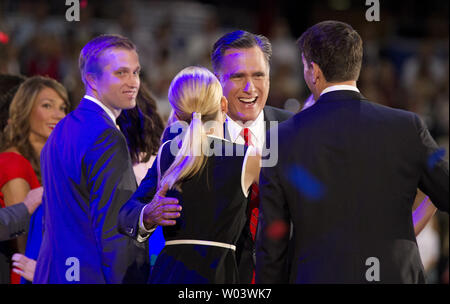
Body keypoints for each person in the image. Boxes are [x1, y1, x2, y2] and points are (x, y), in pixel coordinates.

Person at [256, 20, 449, 284]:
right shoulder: (407, 126)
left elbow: (273, 239)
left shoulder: (280, 137)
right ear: (356, 66)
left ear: (313, 70)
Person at [118, 30, 293, 284]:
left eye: (258, 75)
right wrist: (148, 214)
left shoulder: (292, 129)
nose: (249, 87)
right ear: (217, 82)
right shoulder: (180, 144)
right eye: (238, 76)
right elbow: (128, 214)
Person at [33, 34, 179, 284]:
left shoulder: (62, 128)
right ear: (92, 79)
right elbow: (115, 231)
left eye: (136, 72)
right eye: (121, 73)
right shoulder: (106, 136)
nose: (133, 82)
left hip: (54, 273)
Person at [148, 66, 261, 283]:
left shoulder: (165, 153)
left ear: (176, 113)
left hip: (167, 273)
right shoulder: (248, 158)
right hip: (217, 273)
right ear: (224, 105)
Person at [0, 76, 70, 284]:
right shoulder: (13, 163)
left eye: (63, 107)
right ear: (24, 111)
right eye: (47, 106)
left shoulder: (52, 165)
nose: (58, 115)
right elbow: (25, 245)